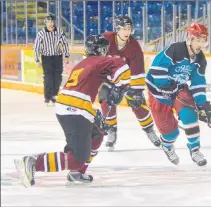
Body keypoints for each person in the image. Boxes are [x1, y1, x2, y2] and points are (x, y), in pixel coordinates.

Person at [14, 34, 131, 187]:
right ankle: (33, 162)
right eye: (105, 49)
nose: (106, 51)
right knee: (77, 158)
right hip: (75, 109)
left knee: (97, 135)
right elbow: (122, 66)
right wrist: (120, 88)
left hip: (71, 106)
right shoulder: (100, 60)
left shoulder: (84, 63)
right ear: (100, 49)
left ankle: (77, 172)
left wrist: (95, 113)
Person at [145, 23, 211, 167]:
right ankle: (167, 145)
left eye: (204, 40)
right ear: (190, 38)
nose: (201, 44)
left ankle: (195, 150)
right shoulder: (175, 49)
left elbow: (197, 82)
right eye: (198, 40)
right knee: (171, 133)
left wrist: (202, 103)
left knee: (190, 115)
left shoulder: (200, 60)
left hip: (179, 88)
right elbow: (157, 67)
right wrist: (164, 86)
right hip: (158, 91)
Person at [101, 15, 160, 151]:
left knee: (138, 104)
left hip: (127, 81)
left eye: (129, 28)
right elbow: (96, 57)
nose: (128, 31)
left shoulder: (134, 46)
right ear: (117, 29)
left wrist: (137, 91)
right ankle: (111, 131)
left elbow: (138, 70)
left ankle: (149, 130)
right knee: (106, 100)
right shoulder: (106, 39)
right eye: (125, 28)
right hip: (109, 80)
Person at [34, 14, 70, 105]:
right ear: (45, 23)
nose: (50, 23)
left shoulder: (59, 32)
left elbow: (65, 44)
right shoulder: (41, 33)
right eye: (48, 22)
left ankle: (54, 95)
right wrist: (37, 60)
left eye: (52, 21)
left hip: (57, 57)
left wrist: (66, 55)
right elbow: (37, 47)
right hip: (46, 58)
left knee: (58, 77)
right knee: (48, 78)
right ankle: (47, 97)